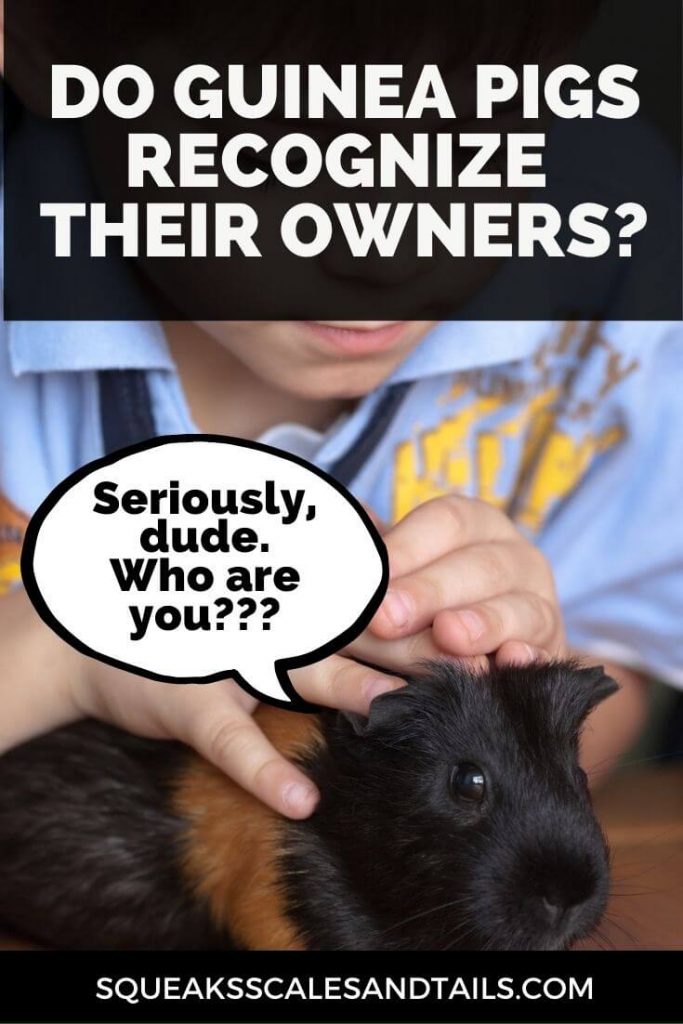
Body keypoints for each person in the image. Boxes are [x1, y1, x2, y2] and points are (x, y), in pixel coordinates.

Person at [1, 1, 680, 822]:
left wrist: (524, 678)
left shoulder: (613, 273)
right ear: (34, 44)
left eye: (471, 135)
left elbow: (622, 655)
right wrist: (49, 655)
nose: (387, 253)